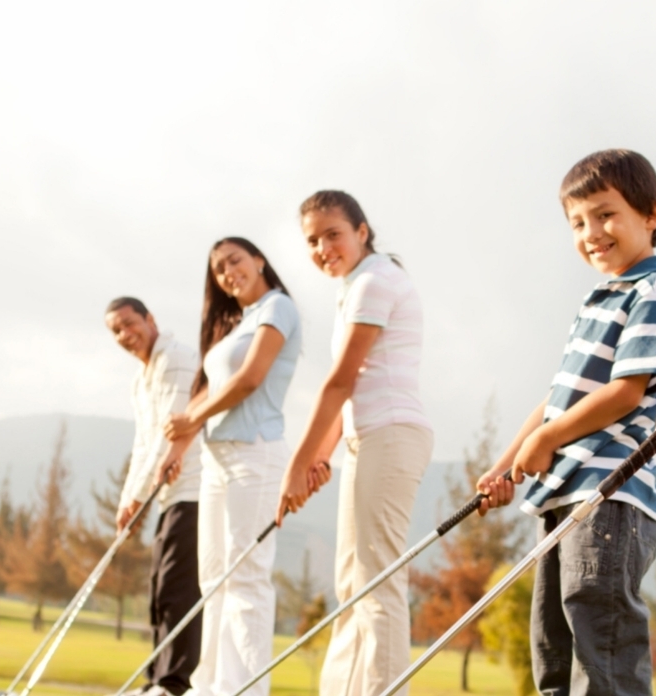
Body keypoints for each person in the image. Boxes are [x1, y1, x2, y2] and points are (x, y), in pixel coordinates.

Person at [478, 150, 656, 696]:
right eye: (577, 222)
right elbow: (558, 398)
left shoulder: (653, 291)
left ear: (651, 214)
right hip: (563, 493)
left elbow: (626, 392)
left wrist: (548, 437)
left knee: (600, 648)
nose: (591, 232)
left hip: (609, 495)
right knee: (554, 646)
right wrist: (506, 464)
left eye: (605, 214)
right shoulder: (599, 298)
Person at [276, 190, 433, 696]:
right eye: (312, 241)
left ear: (361, 231)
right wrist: (322, 455)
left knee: (376, 583)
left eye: (332, 234)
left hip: (390, 434)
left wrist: (297, 465)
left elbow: (341, 380)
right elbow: (355, 387)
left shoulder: (376, 280)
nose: (323, 247)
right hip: (367, 436)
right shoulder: (357, 285)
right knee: (353, 583)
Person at [161, 237, 302, 696]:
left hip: (256, 453)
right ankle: (210, 686)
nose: (227, 273)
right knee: (213, 580)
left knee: (245, 578)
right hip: (219, 459)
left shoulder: (277, 307)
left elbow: (249, 380)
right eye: (219, 269)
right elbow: (213, 388)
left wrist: (191, 420)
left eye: (235, 261)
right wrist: (180, 444)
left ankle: (242, 690)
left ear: (259, 260)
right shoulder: (237, 323)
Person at [105, 297, 203, 696]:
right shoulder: (139, 380)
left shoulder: (177, 359)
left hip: (195, 487)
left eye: (129, 324)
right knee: (159, 590)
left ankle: (173, 684)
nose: (125, 335)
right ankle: (155, 681)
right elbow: (143, 442)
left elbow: (170, 435)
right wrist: (128, 499)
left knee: (177, 589)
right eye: (116, 331)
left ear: (150, 319)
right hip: (167, 495)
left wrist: (137, 499)